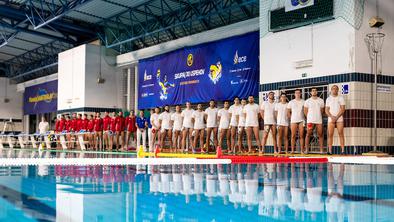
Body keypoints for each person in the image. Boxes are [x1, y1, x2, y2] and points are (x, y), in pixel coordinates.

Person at [325, 85, 346, 155]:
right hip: (331, 118)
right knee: (330, 134)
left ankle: (343, 150)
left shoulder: (341, 98)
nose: (334, 90)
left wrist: (336, 117)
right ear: (331, 90)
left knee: (341, 133)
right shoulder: (328, 99)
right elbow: (326, 110)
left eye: (336, 89)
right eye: (333, 89)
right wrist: (331, 117)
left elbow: (343, 109)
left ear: (338, 90)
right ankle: (330, 150)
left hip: (339, 118)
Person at [304, 87, 325, 154]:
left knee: (320, 135)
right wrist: (310, 117)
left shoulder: (321, 100)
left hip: (319, 120)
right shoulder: (307, 101)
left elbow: (322, 111)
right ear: (311, 92)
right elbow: (305, 111)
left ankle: (321, 150)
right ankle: (306, 150)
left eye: (315, 90)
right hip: (310, 120)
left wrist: (317, 116)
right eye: (313, 91)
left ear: (317, 92)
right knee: (308, 134)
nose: (314, 92)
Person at [287, 89, 305, 154]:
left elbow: (305, 111)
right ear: (294, 94)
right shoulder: (291, 102)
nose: (297, 94)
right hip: (293, 120)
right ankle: (292, 150)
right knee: (293, 136)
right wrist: (291, 118)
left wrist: (304, 119)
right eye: (296, 93)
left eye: (299, 93)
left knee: (301, 136)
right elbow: (288, 112)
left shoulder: (304, 101)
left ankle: (302, 150)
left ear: (300, 94)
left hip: (301, 120)